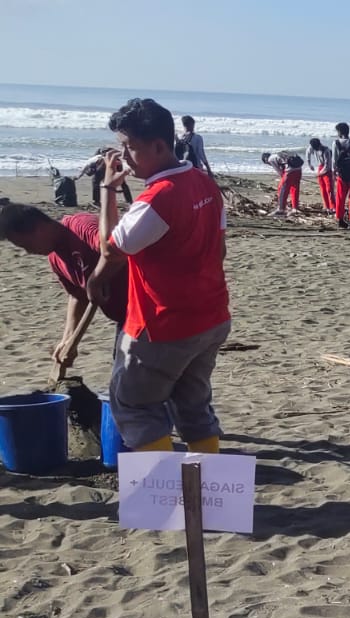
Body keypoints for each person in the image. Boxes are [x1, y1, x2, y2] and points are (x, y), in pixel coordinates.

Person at [92, 97, 231, 454]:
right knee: (193, 407)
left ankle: (168, 498)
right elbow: (220, 250)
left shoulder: (159, 199)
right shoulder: (204, 183)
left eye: (130, 147)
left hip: (163, 323)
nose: (125, 157)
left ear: (157, 145)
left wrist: (108, 189)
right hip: (210, 316)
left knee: (135, 408)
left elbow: (111, 249)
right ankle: (203, 493)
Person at [0, 203, 129, 372]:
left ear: (39, 228)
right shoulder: (55, 259)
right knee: (123, 378)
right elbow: (77, 296)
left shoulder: (81, 227)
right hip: (125, 321)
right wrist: (68, 340)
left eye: (26, 245)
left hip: (150, 313)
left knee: (133, 384)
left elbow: (118, 252)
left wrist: (95, 280)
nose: (28, 252)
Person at [260, 152, 302, 216]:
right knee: (295, 188)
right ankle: (295, 208)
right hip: (299, 169)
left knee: (283, 189)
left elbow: (279, 171)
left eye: (266, 163)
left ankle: (281, 209)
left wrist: (284, 178)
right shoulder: (278, 155)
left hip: (290, 171)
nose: (269, 164)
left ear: (265, 159)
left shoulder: (271, 159)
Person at [305, 138, 335, 211]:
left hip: (327, 170)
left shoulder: (326, 151)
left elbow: (327, 165)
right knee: (323, 189)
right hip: (320, 167)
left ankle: (333, 207)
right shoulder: (312, 147)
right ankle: (326, 206)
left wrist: (320, 174)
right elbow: (308, 153)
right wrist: (309, 164)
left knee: (329, 189)